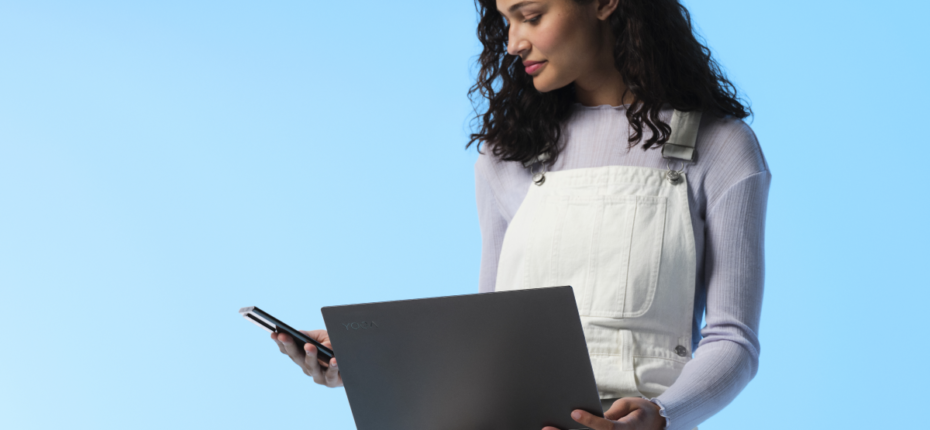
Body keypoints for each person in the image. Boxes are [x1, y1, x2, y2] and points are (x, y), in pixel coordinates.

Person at [272, 1, 770, 429]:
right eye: (505, 21)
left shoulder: (719, 146)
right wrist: (365, 361)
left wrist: (662, 415)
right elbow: (489, 341)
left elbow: (733, 339)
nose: (512, 43)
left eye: (530, 16)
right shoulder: (508, 155)